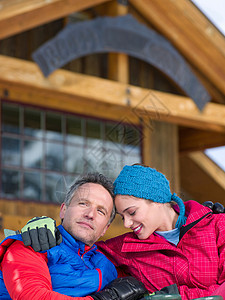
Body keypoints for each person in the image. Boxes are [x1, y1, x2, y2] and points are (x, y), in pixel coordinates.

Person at [6, 165, 225, 300]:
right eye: (83, 203)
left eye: (131, 212)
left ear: (158, 201)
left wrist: (172, 297)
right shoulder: (120, 250)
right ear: (63, 209)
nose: (128, 223)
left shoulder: (215, 226)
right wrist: (37, 225)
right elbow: (31, 293)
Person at [0, 172, 147, 300]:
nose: (90, 214)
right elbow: (33, 296)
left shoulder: (107, 265)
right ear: (63, 210)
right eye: (83, 203)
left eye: (101, 211)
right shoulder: (32, 242)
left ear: (105, 229)